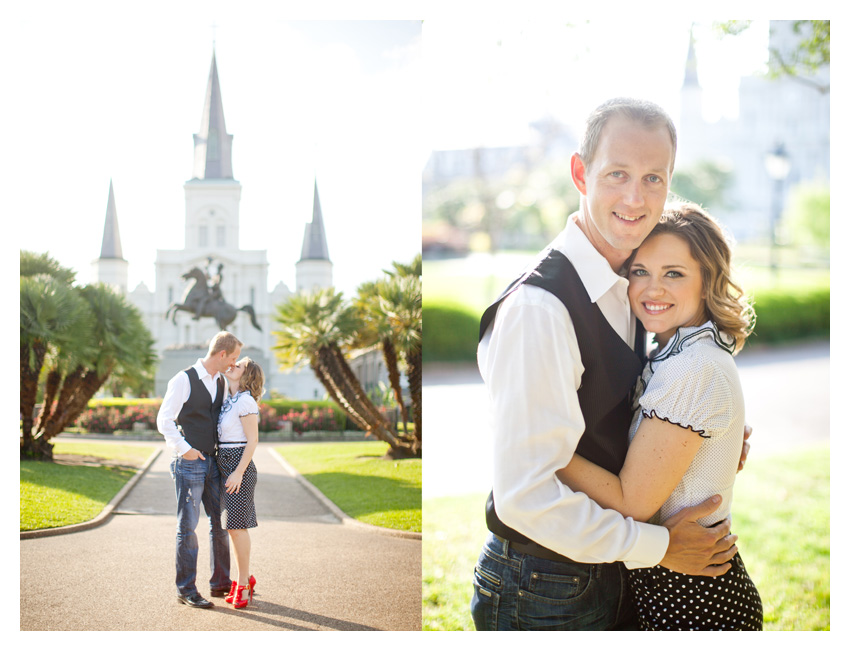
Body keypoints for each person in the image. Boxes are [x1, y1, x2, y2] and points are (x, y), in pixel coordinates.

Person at [471, 98, 747, 631]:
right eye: (617, 173)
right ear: (581, 172)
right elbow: (525, 496)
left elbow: (630, 400)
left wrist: (703, 442)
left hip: (606, 570)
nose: (635, 197)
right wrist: (659, 547)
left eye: (653, 178)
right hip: (543, 584)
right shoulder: (540, 310)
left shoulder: (632, 285)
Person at [557, 203, 762, 630]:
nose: (652, 289)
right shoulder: (678, 353)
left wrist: (544, 450)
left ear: (707, 281)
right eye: (639, 272)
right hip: (670, 586)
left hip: (695, 598)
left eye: (674, 273)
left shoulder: (693, 367)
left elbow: (633, 502)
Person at [157, 331, 243, 608]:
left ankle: (220, 583)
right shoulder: (183, 379)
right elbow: (164, 420)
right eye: (233, 358)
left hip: (213, 464)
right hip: (189, 463)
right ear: (221, 354)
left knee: (220, 524)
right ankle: (186, 589)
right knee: (188, 528)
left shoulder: (220, 381)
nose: (234, 364)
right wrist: (185, 449)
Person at [217, 356, 264, 609]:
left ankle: (243, 583)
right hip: (226, 463)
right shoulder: (230, 400)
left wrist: (237, 472)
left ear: (248, 374)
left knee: (236, 527)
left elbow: (252, 440)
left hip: (239, 465)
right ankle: (243, 579)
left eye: (240, 364)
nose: (233, 365)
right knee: (233, 527)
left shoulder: (245, 401)